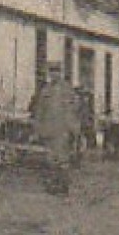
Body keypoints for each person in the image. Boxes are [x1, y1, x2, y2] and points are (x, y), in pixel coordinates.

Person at [29, 62, 83, 194]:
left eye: (56, 71)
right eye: (52, 71)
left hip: (63, 131)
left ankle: (63, 186)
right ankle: (54, 184)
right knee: (51, 159)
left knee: (62, 159)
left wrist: (74, 130)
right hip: (48, 130)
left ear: (60, 73)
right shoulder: (45, 91)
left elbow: (74, 110)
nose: (54, 74)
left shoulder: (67, 90)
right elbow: (39, 112)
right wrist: (37, 130)